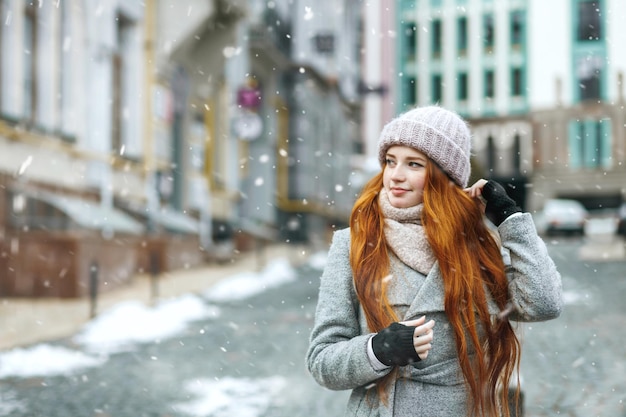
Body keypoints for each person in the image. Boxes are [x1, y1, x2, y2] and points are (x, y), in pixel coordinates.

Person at [305, 106, 563, 417]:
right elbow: (322, 360)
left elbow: (543, 303)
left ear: (444, 177)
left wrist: (510, 221)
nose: (395, 175)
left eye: (413, 164)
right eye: (390, 161)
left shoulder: (475, 246)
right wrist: (378, 350)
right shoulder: (355, 243)